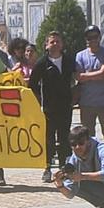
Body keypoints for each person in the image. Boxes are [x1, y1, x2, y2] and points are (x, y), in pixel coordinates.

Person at [31, 32, 75, 177]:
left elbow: (77, 78)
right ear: (46, 45)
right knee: (48, 138)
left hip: (66, 106)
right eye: (52, 42)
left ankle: (63, 166)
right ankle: (47, 166)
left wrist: (75, 97)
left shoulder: (69, 60)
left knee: (64, 137)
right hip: (49, 108)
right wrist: (39, 101)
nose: (55, 44)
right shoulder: (42, 63)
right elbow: (33, 84)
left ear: (62, 44)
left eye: (58, 41)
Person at [73, 25, 104, 148]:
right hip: (87, 102)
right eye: (89, 37)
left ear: (99, 37)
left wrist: (86, 76)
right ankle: (90, 161)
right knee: (87, 135)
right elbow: (78, 77)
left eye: (95, 37)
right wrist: (97, 75)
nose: (92, 40)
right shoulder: (80, 56)